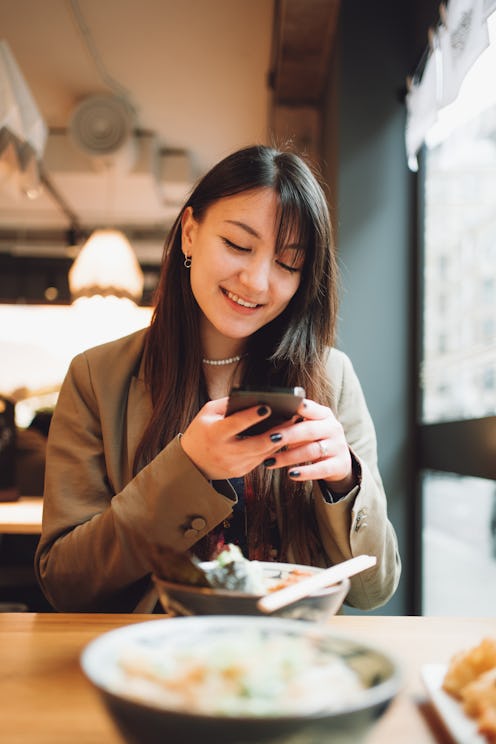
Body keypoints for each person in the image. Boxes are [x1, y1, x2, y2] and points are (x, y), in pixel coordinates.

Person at [35, 144, 401, 612]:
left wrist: (344, 482)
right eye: (238, 245)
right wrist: (188, 468)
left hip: (286, 661)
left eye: (288, 263)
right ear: (189, 233)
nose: (256, 281)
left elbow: (375, 588)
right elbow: (66, 582)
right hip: (157, 660)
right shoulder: (96, 377)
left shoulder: (332, 376)